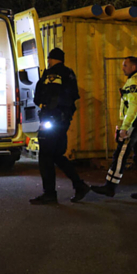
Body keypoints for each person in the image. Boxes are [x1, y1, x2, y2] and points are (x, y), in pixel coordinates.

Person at [29, 48, 89, 205]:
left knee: (45, 156)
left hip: (50, 119)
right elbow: (74, 95)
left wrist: (46, 107)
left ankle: (49, 193)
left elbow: (39, 95)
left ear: (50, 59)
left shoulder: (49, 75)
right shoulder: (70, 73)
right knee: (57, 155)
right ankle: (79, 185)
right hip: (63, 121)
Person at [91, 56, 137, 201]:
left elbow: (133, 106)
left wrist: (124, 128)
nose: (123, 68)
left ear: (133, 67)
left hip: (135, 123)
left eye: (125, 65)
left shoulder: (134, 82)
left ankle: (110, 186)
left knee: (121, 153)